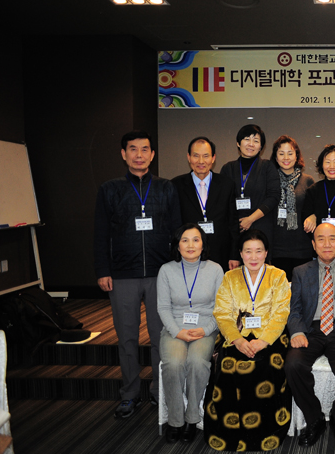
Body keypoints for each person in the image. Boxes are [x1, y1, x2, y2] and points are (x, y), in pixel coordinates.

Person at [94, 130, 181, 418]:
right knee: (127, 337)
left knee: (160, 336)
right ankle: (129, 394)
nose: (139, 155)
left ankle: (159, 390)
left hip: (160, 274)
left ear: (152, 154)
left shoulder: (166, 188)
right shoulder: (110, 189)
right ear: (124, 154)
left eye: (145, 149)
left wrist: (177, 270)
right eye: (133, 149)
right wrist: (103, 270)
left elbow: (177, 231)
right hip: (122, 275)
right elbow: (100, 233)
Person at [204, 229, 292, 452]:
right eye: (248, 251)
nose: (254, 257)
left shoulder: (278, 275)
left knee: (266, 365)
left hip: (270, 335)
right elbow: (222, 313)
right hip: (237, 334)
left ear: (266, 253)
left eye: (258, 251)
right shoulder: (230, 277)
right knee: (227, 365)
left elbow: (281, 313)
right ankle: (230, 432)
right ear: (241, 253)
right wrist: (236, 340)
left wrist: (263, 341)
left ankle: (263, 432)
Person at [284, 222, 335, 446]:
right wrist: (297, 331)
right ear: (313, 244)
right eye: (321, 239)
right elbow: (295, 309)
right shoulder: (300, 271)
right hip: (310, 330)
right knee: (292, 365)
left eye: (332, 239)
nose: (327, 244)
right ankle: (314, 419)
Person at [157, 223, 224, 443]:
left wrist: (206, 329)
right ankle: (175, 420)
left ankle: (192, 418)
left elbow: (221, 308)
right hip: (174, 328)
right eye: (184, 240)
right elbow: (163, 308)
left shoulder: (215, 269)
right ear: (177, 245)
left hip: (205, 328)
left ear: (203, 244)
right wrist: (178, 332)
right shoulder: (166, 270)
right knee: (173, 364)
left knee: (197, 362)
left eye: (196, 239)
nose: (190, 245)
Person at [171, 137, 240, 273]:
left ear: (213, 158)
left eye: (206, 156)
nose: (201, 161)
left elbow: (233, 223)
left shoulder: (227, 185)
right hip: (188, 256)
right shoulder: (176, 185)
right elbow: (174, 224)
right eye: (196, 156)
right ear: (189, 157)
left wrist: (234, 255)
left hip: (221, 254)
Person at [220, 124, 280, 260]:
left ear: (261, 146)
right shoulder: (228, 168)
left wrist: (250, 219)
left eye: (256, 141)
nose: (251, 144)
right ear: (238, 143)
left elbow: (273, 197)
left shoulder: (267, 167)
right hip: (236, 229)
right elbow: (223, 201)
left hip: (261, 225)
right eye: (247, 139)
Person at [269, 135, 315, 280]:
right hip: (277, 249)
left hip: (302, 248)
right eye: (281, 153)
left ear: (296, 156)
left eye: (290, 153)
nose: (286, 157)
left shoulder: (307, 180)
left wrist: (314, 216)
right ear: (275, 157)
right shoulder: (269, 181)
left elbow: (315, 208)